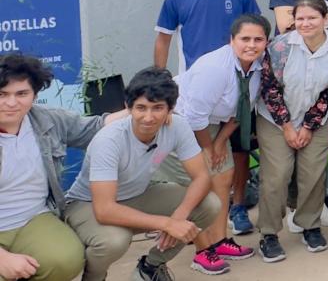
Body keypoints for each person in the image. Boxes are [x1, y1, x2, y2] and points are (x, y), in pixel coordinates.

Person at [64, 68, 221, 281]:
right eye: (141, 108)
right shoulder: (109, 140)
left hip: (137, 194)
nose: (148, 117)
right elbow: (104, 210)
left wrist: (179, 215)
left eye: (157, 108)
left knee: (209, 204)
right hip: (87, 204)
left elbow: (202, 176)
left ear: (170, 109)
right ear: (128, 107)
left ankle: (150, 267)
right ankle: (93, 278)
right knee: (115, 241)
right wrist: (166, 224)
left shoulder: (178, 126)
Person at [154, 0, 261, 235]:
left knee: (236, 152)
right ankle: (190, 221)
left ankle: (236, 208)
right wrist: (159, 82)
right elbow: (163, 38)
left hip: (234, 90)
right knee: (199, 161)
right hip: (197, 94)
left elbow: (254, 29)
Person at [158, 14, 270, 274]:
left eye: (258, 39)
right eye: (244, 39)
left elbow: (239, 112)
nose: (251, 45)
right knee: (198, 185)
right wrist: (208, 149)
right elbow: (194, 117)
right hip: (179, 124)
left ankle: (219, 241)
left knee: (224, 176)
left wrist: (219, 143)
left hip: (215, 126)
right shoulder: (215, 68)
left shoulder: (256, 67)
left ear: (266, 42)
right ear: (232, 40)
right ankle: (202, 252)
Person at [0, 54, 119, 281]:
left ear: (34, 94)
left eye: (21, 94)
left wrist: (144, 111)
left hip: (33, 218)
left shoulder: (46, 120)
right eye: (2, 94)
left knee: (65, 259)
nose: (12, 102)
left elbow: (96, 127)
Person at [257, 0, 328, 262]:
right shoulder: (279, 47)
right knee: (277, 174)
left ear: (326, 19)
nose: (305, 23)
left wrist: (309, 127)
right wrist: (288, 127)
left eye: (312, 17)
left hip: (316, 118)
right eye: (300, 18)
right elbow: (269, 90)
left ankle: (310, 225)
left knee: (313, 171)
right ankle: (269, 233)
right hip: (275, 118)